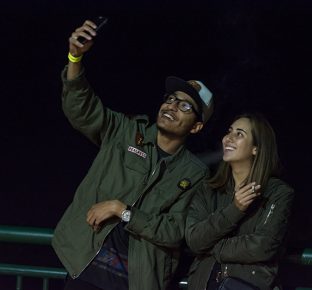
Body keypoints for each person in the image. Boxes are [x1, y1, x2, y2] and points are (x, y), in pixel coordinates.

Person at [51, 19, 214, 290]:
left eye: (185, 105)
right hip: (84, 268)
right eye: (170, 98)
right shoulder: (126, 131)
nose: (172, 106)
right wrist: (75, 57)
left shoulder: (195, 174)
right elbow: (82, 110)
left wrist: (123, 210)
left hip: (136, 282)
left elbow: (174, 231)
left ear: (197, 126)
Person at [185, 113, 294, 290]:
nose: (229, 138)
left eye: (239, 134)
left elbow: (263, 246)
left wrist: (213, 247)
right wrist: (235, 209)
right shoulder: (208, 189)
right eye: (229, 131)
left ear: (256, 149)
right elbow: (195, 240)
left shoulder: (277, 192)